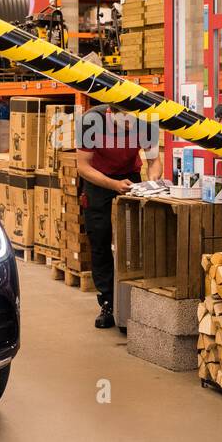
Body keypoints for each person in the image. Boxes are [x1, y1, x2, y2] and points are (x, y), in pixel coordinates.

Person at [76, 104, 162, 328]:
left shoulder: (145, 119)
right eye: (124, 123)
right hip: (98, 178)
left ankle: (134, 296)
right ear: (111, 114)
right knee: (100, 236)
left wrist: (151, 183)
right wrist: (113, 185)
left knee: (135, 236)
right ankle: (107, 303)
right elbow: (83, 167)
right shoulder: (90, 120)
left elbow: (154, 161)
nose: (128, 127)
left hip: (129, 175)